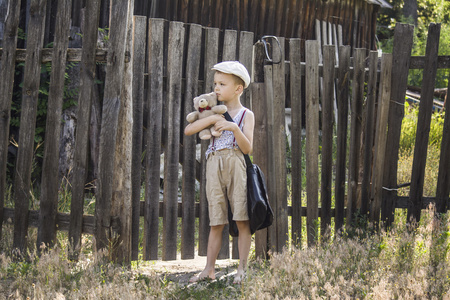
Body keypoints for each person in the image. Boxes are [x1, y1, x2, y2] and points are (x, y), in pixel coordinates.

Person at [184, 61, 254, 284]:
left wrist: (233, 128)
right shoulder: (210, 113)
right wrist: (214, 119)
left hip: (235, 163)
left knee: (242, 219)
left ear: (238, 89)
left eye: (222, 84)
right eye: (215, 83)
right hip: (214, 164)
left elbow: (247, 149)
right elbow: (188, 130)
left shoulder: (245, 115)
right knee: (216, 221)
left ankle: (242, 269)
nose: (216, 88)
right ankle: (209, 269)